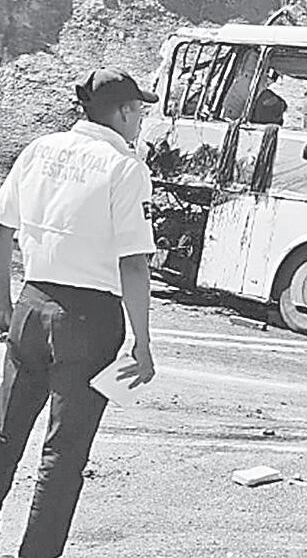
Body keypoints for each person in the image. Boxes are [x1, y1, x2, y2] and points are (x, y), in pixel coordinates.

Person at [0, 69, 158, 558]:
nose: (140, 120)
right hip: (89, 318)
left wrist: (4, 302)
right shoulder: (125, 167)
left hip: (31, 304)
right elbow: (134, 263)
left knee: (4, 435)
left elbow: (3, 226)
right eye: (139, 111)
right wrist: (143, 342)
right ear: (124, 112)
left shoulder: (39, 149)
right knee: (63, 456)